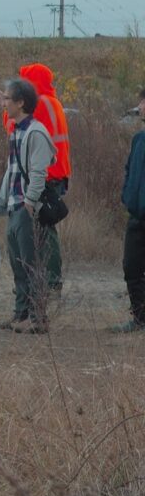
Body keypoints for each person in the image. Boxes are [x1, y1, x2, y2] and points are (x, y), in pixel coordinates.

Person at [0, 78, 56, 333]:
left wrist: (29, 202)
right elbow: (12, 171)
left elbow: (38, 173)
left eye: (7, 98)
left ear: (20, 102)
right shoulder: (17, 131)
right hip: (14, 205)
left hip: (26, 208)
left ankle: (37, 318)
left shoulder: (35, 133)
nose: (3, 103)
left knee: (31, 263)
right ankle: (21, 315)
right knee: (18, 264)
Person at [0, 63, 70, 296]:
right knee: (45, 229)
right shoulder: (52, 102)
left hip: (44, 177)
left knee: (43, 231)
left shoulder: (42, 103)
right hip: (55, 173)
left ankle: (48, 283)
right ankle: (46, 283)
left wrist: (5, 109)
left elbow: (14, 127)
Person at [113, 87, 145, 334]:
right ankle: (139, 318)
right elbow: (128, 169)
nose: (140, 107)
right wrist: (128, 196)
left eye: (143, 102)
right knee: (131, 267)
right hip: (136, 216)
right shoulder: (138, 139)